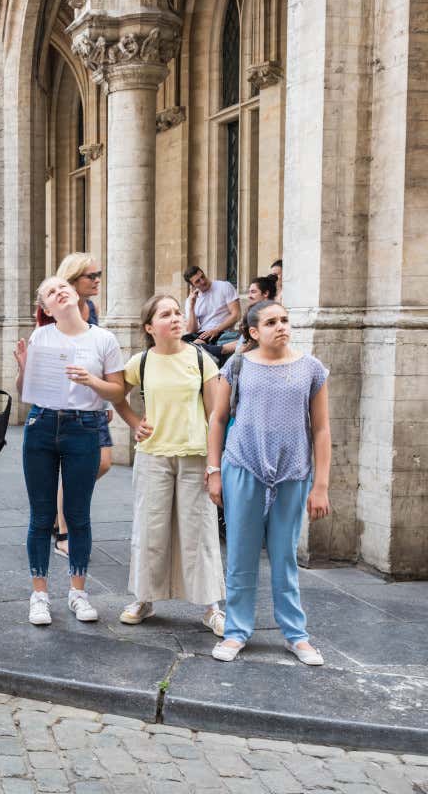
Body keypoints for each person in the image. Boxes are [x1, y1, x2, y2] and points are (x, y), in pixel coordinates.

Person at [206, 301, 331, 665]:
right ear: (254, 331)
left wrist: (320, 485)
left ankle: (296, 634)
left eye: (285, 320)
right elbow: (218, 419)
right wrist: (214, 471)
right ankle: (236, 631)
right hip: (242, 468)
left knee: (284, 556)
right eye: (272, 321)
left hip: (292, 473)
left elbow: (321, 429)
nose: (281, 326)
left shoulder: (311, 369)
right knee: (241, 556)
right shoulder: (237, 365)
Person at [15, 276, 125, 626]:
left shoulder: (103, 338)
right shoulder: (41, 337)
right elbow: (25, 392)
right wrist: (22, 369)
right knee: (41, 515)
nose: (59, 291)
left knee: (78, 514)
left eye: (63, 286)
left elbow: (118, 392)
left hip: (85, 426)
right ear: (46, 308)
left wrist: (91, 381)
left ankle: (78, 592)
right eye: (49, 292)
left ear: (75, 294)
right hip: (42, 424)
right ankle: (39, 594)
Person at [114, 294, 226, 635]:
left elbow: (215, 414)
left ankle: (211, 607)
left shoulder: (201, 358)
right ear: (150, 327)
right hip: (154, 456)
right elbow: (116, 394)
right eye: (166, 314)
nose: (176, 318)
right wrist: (135, 422)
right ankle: (144, 598)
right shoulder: (140, 362)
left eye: (178, 312)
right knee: (150, 528)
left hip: (194, 456)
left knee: (200, 531)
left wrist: (214, 464)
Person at [44, 253, 134, 558]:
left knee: (102, 462)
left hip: (91, 397)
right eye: (91, 276)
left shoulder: (90, 308)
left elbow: (95, 352)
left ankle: (61, 513)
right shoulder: (52, 311)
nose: (97, 281)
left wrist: (101, 393)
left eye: (99, 275)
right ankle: (64, 530)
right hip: (63, 401)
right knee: (81, 468)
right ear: (72, 280)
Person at [183, 265, 241, 361]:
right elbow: (191, 330)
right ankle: (220, 350)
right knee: (180, 343)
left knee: (193, 347)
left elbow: (236, 315)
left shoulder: (224, 286)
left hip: (222, 331)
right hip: (203, 334)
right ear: (192, 286)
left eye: (202, 276)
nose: (203, 281)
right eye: (197, 281)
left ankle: (207, 349)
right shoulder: (190, 300)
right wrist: (192, 306)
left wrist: (216, 330)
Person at [221, 275, 278, 356]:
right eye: (249, 292)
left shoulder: (267, 315)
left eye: (253, 292)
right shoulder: (256, 312)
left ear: (265, 293)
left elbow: (245, 348)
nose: (249, 296)